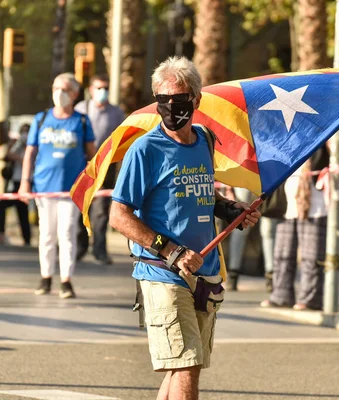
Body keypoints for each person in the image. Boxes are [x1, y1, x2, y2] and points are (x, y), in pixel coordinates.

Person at [108, 56, 260, 400]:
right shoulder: (145, 150)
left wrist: (229, 208)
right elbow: (119, 215)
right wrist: (171, 250)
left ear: (197, 100)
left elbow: (201, 190)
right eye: (163, 102)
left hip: (204, 274)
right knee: (187, 363)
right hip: (163, 272)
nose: (172, 109)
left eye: (179, 102)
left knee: (185, 365)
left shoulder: (204, 140)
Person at [19, 73, 96, 298]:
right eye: (55, 88)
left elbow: (92, 154)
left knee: (67, 233)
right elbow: (30, 151)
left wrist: (90, 182)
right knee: (46, 234)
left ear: (73, 94)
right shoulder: (41, 119)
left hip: (69, 190)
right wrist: (25, 182)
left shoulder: (81, 121)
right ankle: (45, 277)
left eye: (63, 89)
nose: (58, 93)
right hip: (44, 187)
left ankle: (66, 280)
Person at [261, 146, 329, 311]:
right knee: (282, 255)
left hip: (314, 207)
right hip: (288, 205)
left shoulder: (322, 142)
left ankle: (310, 298)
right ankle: (281, 295)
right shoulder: (290, 145)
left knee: (311, 257)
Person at [74, 74, 126, 265]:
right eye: (99, 88)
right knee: (82, 206)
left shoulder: (116, 113)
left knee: (102, 209)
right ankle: (80, 247)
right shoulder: (81, 109)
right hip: (85, 165)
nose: (102, 91)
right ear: (91, 89)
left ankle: (100, 250)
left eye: (106, 88)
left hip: (107, 166)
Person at [0, 123, 32, 246]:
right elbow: (8, 156)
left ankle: (27, 238)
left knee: (24, 211)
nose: (25, 135)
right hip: (17, 181)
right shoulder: (17, 145)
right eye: (23, 131)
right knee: (19, 209)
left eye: (27, 132)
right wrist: (15, 145)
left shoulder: (34, 145)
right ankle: (25, 237)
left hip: (30, 181)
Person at [225, 187, 256, 291]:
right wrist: (228, 188)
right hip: (242, 179)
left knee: (269, 229)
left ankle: (271, 274)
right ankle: (233, 274)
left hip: (265, 176)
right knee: (240, 225)